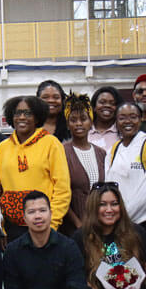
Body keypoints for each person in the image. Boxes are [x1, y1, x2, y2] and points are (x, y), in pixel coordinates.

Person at [0, 95, 71, 241]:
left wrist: (51, 225)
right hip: (11, 230)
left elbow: (62, 189)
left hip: (45, 228)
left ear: (37, 117)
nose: (22, 117)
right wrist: (0, 228)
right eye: (17, 113)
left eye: (28, 113)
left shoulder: (51, 144)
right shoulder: (1, 149)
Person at [104, 102, 146, 224]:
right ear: (116, 121)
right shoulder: (113, 151)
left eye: (133, 117)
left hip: (144, 222)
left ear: (140, 119)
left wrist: (124, 219)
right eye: (122, 118)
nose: (127, 121)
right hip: (117, 222)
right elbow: (109, 186)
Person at [60, 94, 107, 235]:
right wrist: (78, 223)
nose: (79, 123)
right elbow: (60, 194)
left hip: (101, 226)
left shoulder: (101, 153)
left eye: (83, 119)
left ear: (91, 122)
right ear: (68, 125)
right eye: (73, 120)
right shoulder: (61, 152)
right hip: (74, 229)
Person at [89, 86, 123, 151]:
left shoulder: (122, 132)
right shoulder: (85, 130)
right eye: (102, 102)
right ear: (94, 107)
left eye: (112, 103)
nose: (107, 105)